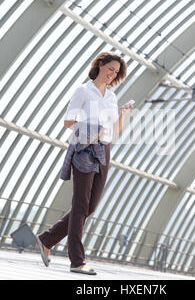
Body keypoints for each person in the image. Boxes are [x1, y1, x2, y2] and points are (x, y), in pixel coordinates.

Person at [36, 52, 131, 275]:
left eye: (116, 72)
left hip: (104, 150)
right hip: (84, 148)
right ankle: (77, 261)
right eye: (111, 69)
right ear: (100, 64)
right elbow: (68, 121)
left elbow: (114, 131)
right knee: (80, 205)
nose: (112, 74)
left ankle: (46, 239)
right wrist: (92, 133)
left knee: (90, 207)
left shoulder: (111, 96)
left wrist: (123, 114)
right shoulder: (83, 91)